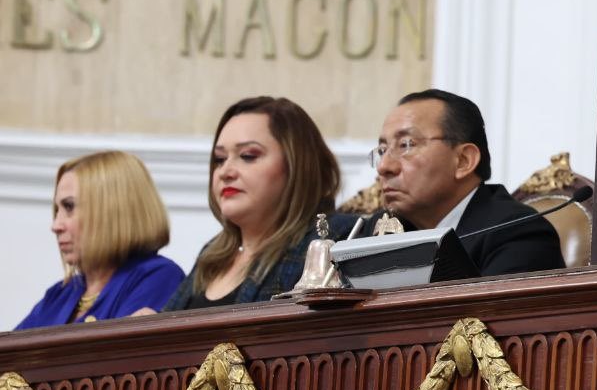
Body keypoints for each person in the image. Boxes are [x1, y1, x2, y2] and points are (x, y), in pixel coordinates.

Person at [166, 96, 356, 309]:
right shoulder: (212, 252)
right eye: (219, 159)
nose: (225, 172)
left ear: (297, 166)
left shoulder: (331, 239)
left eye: (248, 156)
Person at [366, 89, 565, 276]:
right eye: (382, 150)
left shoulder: (519, 235)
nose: (384, 166)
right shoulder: (381, 229)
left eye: (406, 145)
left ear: (463, 161)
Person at [16, 151, 183, 329]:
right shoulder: (60, 293)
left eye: (69, 207)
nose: (55, 225)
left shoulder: (157, 276)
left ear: (112, 211)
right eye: (57, 210)